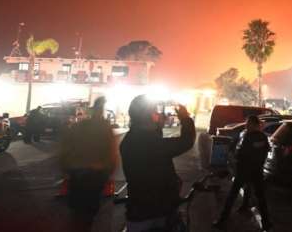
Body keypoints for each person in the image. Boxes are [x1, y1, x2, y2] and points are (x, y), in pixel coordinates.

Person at [119, 95, 195, 231]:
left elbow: (160, 141)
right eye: (155, 111)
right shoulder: (148, 141)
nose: (159, 115)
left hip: (141, 210)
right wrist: (185, 118)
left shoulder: (132, 138)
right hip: (155, 212)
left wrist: (160, 125)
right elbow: (185, 141)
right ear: (147, 116)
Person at [59, 97, 118, 229]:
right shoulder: (105, 128)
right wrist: (110, 170)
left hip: (77, 171)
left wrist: (65, 167)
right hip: (95, 172)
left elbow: (65, 149)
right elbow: (111, 152)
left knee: (77, 209)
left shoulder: (78, 126)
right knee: (89, 209)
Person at [214, 115, 271, 230]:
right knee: (258, 197)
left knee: (234, 195)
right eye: (246, 124)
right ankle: (265, 223)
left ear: (255, 125)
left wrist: (236, 160)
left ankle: (222, 220)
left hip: (247, 170)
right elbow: (264, 150)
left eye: (248, 124)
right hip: (252, 170)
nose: (246, 125)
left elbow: (244, 152)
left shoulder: (253, 136)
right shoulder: (252, 135)